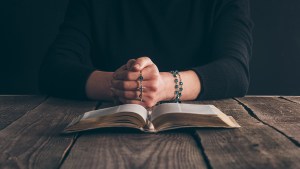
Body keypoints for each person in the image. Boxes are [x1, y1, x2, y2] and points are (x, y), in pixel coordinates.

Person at [39, 0, 253, 108]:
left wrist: (164, 86)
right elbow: (54, 69)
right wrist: (119, 86)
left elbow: (235, 71)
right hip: (107, 133)